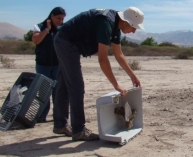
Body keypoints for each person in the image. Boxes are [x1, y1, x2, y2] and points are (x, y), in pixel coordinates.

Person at [53, 6, 144, 141]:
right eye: (133, 27)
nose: (134, 31)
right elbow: (102, 58)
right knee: (76, 87)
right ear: (126, 22)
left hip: (64, 41)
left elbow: (119, 54)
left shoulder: (115, 26)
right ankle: (78, 130)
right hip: (66, 43)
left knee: (64, 85)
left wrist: (133, 76)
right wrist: (116, 85)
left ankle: (60, 125)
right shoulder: (106, 22)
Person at [32, 7, 66, 123]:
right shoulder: (39, 27)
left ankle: (58, 116)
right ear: (51, 16)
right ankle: (42, 116)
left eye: (62, 19)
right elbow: (36, 40)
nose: (60, 21)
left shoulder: (61, 29)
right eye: (58, 18)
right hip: (43, 65)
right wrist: (47, 30)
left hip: (57, 65)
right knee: (44, 91)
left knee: (58, 91)